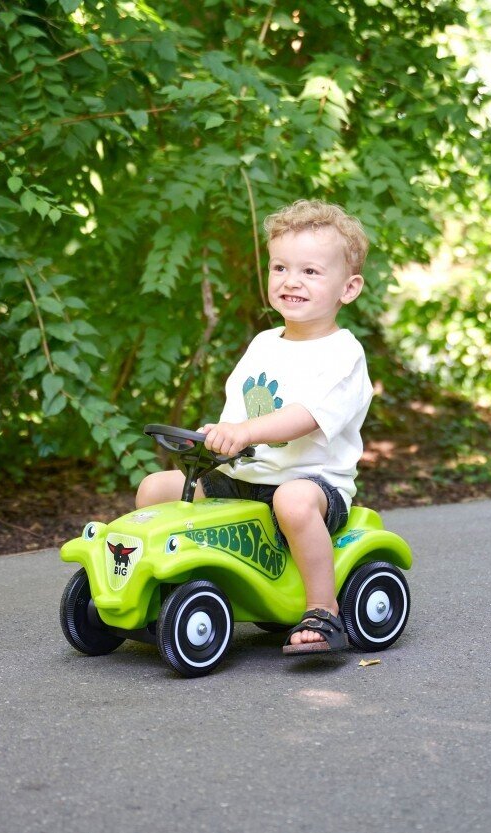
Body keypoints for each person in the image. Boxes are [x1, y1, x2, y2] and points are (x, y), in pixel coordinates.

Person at [135, 199, 373, 654]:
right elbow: (240, 412)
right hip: (242, 479)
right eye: (280, 267)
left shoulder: (342, 354)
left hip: (312, 484)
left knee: (292, 500)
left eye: (310, 271)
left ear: (349, 288)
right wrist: (219, 434)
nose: (291, 280)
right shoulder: (264, 344)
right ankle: (170, 588)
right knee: (155, 489)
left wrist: (245, 433)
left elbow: (305, 416)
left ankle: (323, 609)